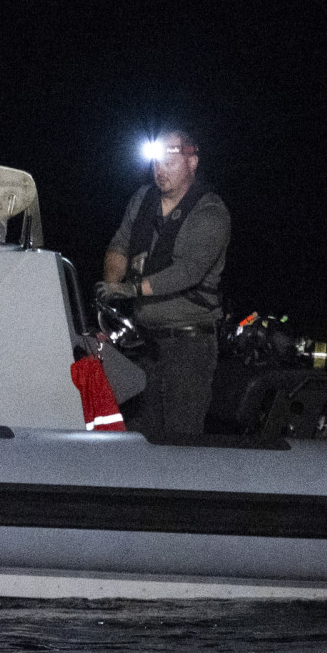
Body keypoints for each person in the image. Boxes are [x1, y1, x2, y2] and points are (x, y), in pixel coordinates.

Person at [100, 127, 230, 440]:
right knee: (137, 435)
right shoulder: (142, 199)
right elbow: (120, 243)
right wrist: (108, 293)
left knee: (180, 440)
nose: (161, 170)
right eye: (156, 162)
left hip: (189, 346)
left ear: (192, 162)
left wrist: (131, 289)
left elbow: (190, 271)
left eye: (170, 161)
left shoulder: (211, 212)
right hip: (144, 343)